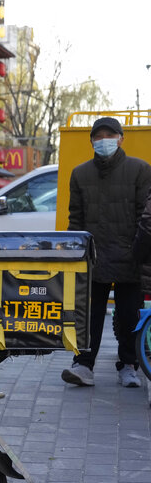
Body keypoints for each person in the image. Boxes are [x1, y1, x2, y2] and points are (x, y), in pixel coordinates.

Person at [62, 116, 151, 388]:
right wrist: (74, 255)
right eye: (98, 137)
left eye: (109, 136)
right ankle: (84, 365)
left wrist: (140, 255)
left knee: (128, 316)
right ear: (91, 141)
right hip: (93, 258)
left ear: (121, 138)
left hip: (130, 256)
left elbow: (144, 217)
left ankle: (128, 365)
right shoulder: (80, 173)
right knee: (88, 314)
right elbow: (75, 220)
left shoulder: (140, 170)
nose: (104, 142)